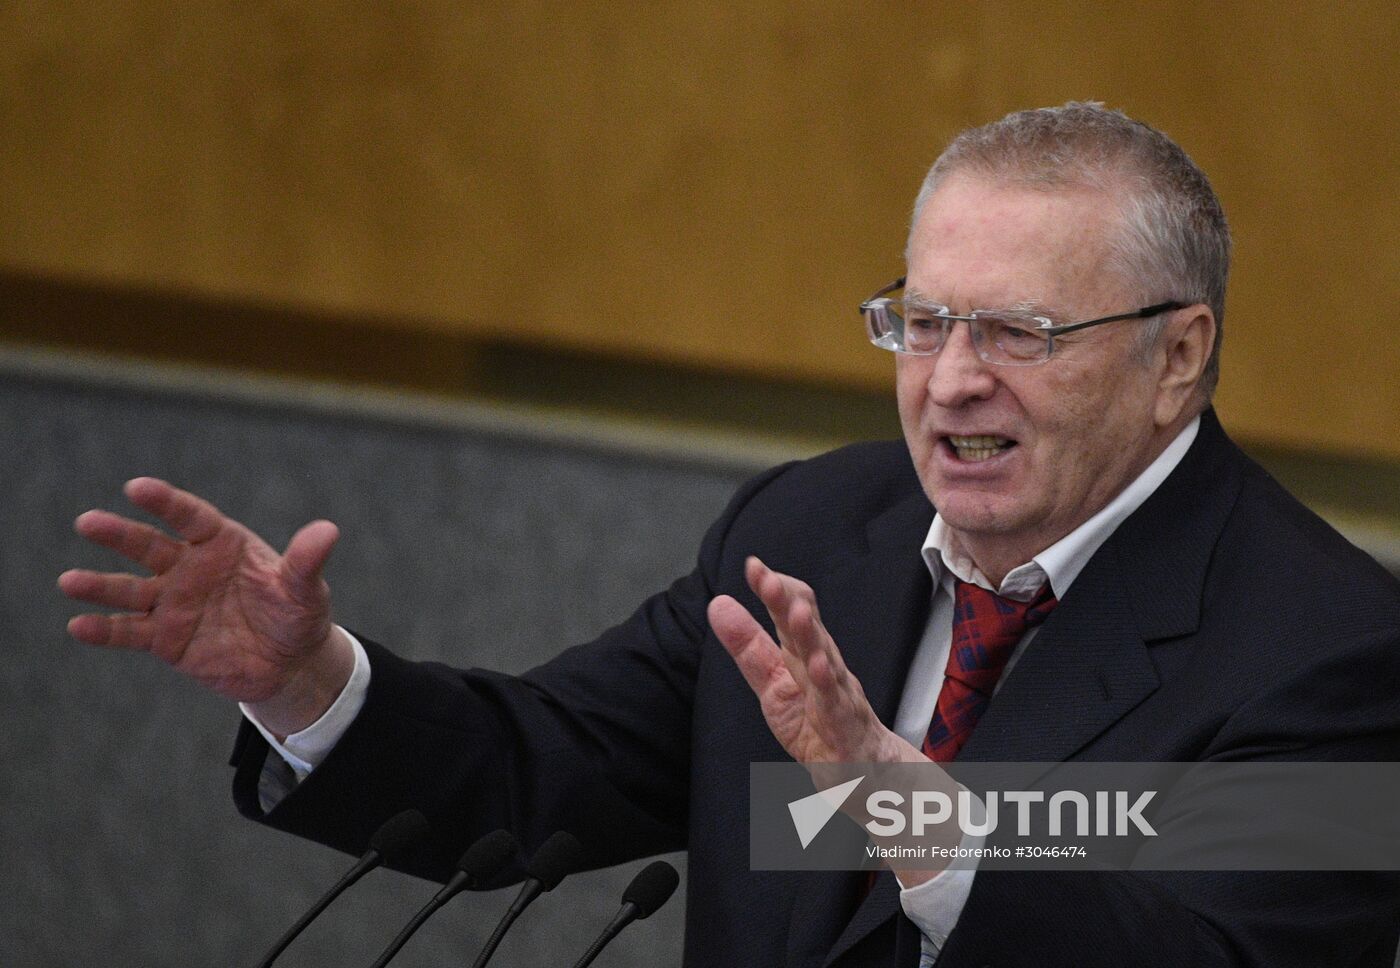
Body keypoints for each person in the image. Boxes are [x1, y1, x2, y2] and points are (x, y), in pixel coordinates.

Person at [60, 103, 1400, 966]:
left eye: (1020, 335)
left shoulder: (1328, 646)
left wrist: (916, 821)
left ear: (1180, 356)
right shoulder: (813, 532)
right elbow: (545, 773)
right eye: (922, 322)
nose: (950, 379)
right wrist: (310, 685)